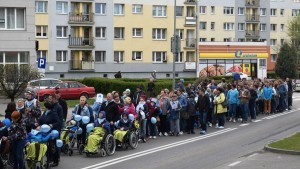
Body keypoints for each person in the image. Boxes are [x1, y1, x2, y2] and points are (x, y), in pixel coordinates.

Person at [38, 102, 61, 167]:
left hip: (51, 133)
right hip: (44, 132)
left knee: (52, 147)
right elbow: (41, 120)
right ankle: (48, 160)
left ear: (47, 108)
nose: (44, 108)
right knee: (46, 148)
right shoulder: (45, 113)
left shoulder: (53, 113)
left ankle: (55, 161)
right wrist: (38, 124)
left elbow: (58, 122)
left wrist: (52, 125)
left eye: (45, 107)